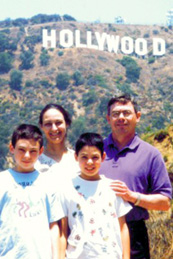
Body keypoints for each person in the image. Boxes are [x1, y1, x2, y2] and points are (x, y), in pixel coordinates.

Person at [99, 94, 172, 259]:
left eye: (126, 113)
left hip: (134, 234)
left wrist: (132, 197)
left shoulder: (151, 154)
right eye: (116, 114)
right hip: (98, 232)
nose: (121, 118)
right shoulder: (95, 151)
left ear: (137, 117)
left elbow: (165, 202)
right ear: (108, 118)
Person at [60, 132, 132, 259]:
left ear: (103, 157)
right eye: (84, 157)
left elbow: (123, 227)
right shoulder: (66, 188)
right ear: (76, 157)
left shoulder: (113, 188)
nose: (89, 162)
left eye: (95, 157)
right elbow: (63, 232)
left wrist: (126, 257)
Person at [0, 124, 65, 258]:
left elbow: (53, 226)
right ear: (12, 148)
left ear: (41, 151)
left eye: (33, 151)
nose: (27, 156)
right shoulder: (2, 181)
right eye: (22, 150)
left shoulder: (48, 183)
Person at [35, 103, 79, 178]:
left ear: (67, 123)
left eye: (58, 123)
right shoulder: (35, 163)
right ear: (41, 126)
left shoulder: (79, 160)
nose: (54, 128)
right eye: (48, 124)